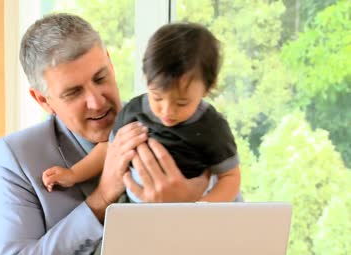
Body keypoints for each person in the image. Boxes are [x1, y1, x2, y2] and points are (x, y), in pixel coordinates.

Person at [0, 13, 213, 255]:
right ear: (43, 100)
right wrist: (102, 199)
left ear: (112, 65)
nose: (97, 102)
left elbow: (237, 232)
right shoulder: (17, 158)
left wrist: (190, 208)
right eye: (73, 92)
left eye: (100, 78)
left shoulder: (179, 124)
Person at [42, 22, 241, 203]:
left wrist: (198, 209)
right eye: (157, 97)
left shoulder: (212, 127)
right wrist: (73, 174)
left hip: (187, 213)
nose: (167, 111)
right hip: (130, 210)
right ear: (147, 79)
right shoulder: (135, 111)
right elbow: (109, 149)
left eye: (182, 103)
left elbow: (230, 177)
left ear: (207, 88)